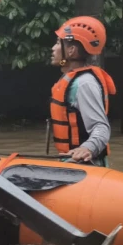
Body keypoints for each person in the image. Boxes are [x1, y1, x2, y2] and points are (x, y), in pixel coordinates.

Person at [49, 16, 117, 167]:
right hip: (71, 163)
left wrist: (87, 148)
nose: (53, 48)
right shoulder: (72, 79)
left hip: (87, 166)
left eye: (57, 43)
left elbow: (101, 127)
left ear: (71, 50)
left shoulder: (85, 83)